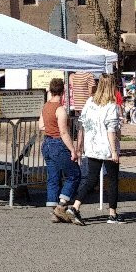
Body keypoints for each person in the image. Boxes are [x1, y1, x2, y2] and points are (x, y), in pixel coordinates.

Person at [70, 73, 125, 224]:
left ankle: (75, 206)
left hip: (92, 146)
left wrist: (80, 146)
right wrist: (114, 151)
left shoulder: (90, 102)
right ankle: (112, 214)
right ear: (112, 86)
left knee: (91, 179)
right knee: (113, 180)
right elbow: (111, 130)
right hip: (107, 148)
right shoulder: (112, 106)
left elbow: (83, 124)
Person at [40, 77, 80, 223]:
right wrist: (73, 150)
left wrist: (50, 128)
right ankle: (62, 205)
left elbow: (41, 126)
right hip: (58, 144)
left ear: (50, 90)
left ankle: (53, 210)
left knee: (53, 177)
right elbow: (63, 132)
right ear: (63, 92)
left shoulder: (45, 106)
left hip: (46, 143)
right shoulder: (60, 109)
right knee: (74, 174)